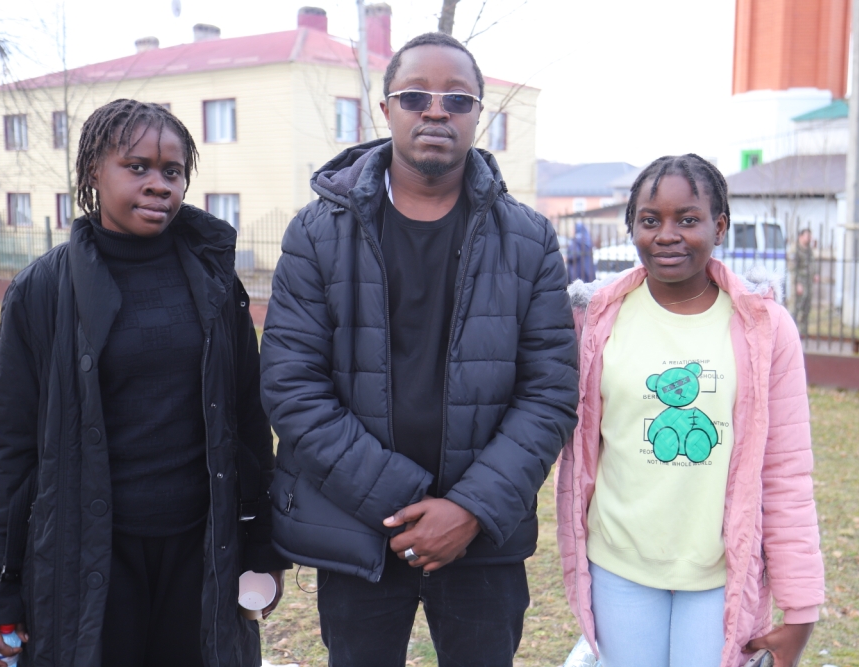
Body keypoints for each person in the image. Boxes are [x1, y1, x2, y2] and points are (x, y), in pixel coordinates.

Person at [261, 32, 579, 667]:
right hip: (358, 530)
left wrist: (466, 509)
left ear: (478, 113)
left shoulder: (529, 240)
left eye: (457, 99)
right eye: (416, 96)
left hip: (481, 538)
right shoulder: (317, 234)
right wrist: (406, 506)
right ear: (386, 109)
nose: (436, 111)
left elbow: (549, 394)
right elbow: (292, 389)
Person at [0, 99, 287, 667]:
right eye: (136, 167)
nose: (159, 183)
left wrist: (261, 548)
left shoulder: (215, 283)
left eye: (173, 171)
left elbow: (248, 423)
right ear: (94, 171)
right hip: (86, 555)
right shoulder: (43, 290)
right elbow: (6, 450)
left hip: (201, 551)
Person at [556, 154, 824, 667]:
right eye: (650, 220)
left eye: (687, 219)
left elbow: (787, 473)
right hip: (619, 567)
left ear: (719, 227)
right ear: (632, 227)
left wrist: (801, 607)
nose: (667, 235)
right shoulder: (594, 321)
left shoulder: (764, 328)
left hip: (719, 575)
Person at [793, 228, 815, 336]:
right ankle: (792, 331)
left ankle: (803, 332)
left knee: (807, 307)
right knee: (796, 307)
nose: (809, 238)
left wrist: (815, 274)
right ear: (800, 236)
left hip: (808, 282)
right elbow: (793, 269)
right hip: (799, 281)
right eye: (807, 236)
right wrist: (797, 283)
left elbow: (813, 263)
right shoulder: (795, 249)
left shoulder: (809, 249)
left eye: (810, 236)